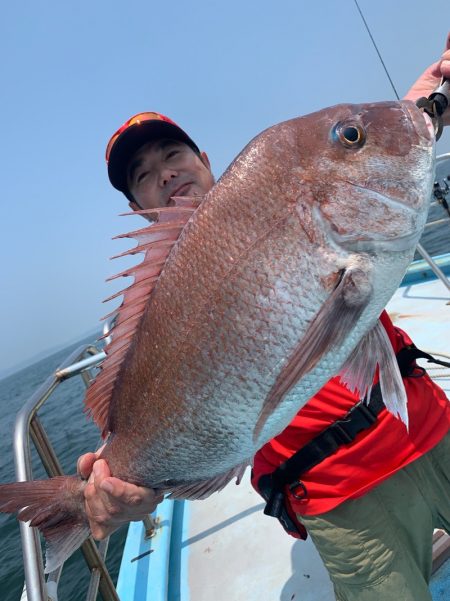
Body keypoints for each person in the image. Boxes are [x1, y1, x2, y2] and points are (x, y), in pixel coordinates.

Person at [78, 39, 450, 600]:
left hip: (433, 429)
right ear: (138, 207)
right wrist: (111, 486)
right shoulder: (146, 318)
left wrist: (433, 91)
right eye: (141, 173)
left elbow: (374, 146)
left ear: (204, 161)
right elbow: (138, 438)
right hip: (342, 499)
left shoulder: (288, 187)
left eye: (171, 154)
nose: (164, 173)